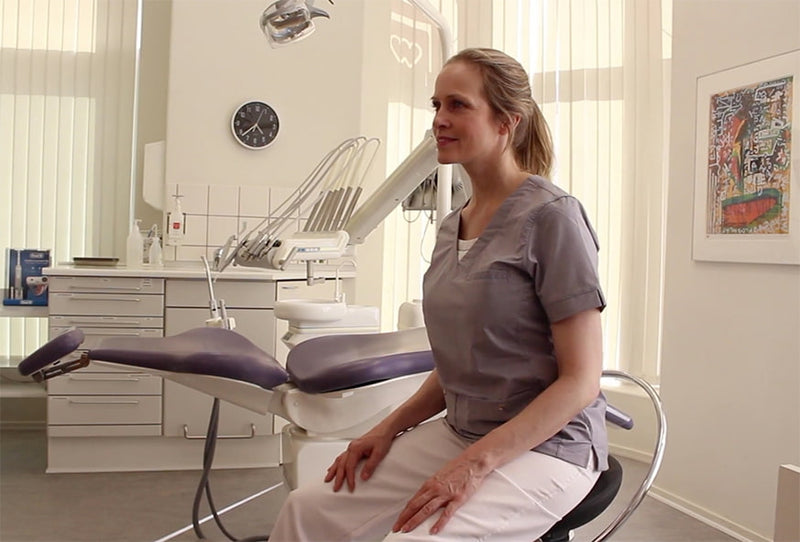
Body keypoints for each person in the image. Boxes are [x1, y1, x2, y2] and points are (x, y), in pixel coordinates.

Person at [270, 47, 608, 542]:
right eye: (436, 105)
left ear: (506, 122)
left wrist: (474, 464)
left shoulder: (553, 217)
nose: (439, 119)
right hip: (463, 431)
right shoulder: (454, 224)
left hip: (547, 447)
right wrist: (387, 427)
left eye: (458, 105)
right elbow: (459, 365)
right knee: (308, 509)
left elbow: (581, 382)